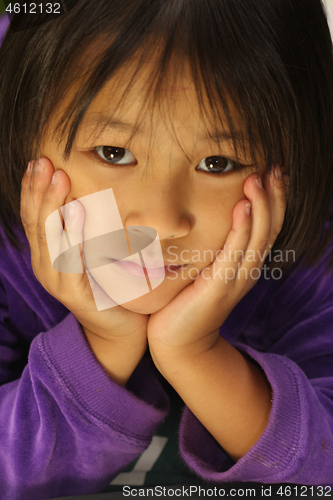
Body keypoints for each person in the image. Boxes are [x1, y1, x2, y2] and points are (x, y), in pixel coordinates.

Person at [0, 1, 333, 498]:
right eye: (114, 153)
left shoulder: (308, 258)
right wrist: (103, 344)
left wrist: (196, 353)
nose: (159, 221)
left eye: (217, 163)